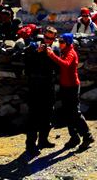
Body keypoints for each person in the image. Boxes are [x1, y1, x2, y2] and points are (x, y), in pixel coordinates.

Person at [45, 33, 94, 150]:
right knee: (68, 112)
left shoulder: (71, 53)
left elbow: (66, 65)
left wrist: (51, 55)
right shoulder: (64, 51)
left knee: (75, 113)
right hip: (65, 86)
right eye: (59, 41)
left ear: (67, 42)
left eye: (62, 42)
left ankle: (87, 136)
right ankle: (74, 137)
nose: (59, 44)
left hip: (72, 86)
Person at [23, 26, 58, 158]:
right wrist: (36, 53)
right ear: (43, 36)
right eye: (47, 37)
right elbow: (26, 63)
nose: (48, 41)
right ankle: (30, 144)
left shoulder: (55, 49)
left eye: (51, 39)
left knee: (48, 113)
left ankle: (43, 140)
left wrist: (52, 55)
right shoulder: (33, 46)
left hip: (48, 84)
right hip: (35, 85)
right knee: (34, 115)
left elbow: (58, 66)